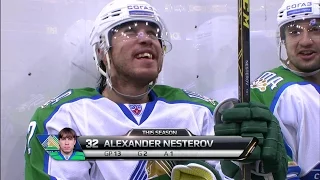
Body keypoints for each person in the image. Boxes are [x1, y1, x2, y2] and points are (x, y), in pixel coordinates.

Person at [24, 0, 287, 179]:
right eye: (128, 31)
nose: (145, 37)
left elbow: (232, 171)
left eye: (153, 32)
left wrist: (249, 167)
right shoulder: (59, 119)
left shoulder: (201, 112)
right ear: (102, 52)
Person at [250, 0, 320, 179]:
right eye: (294, 32)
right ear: (283, 39)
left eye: (315, 29)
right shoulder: (285, 93)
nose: (305, 41)